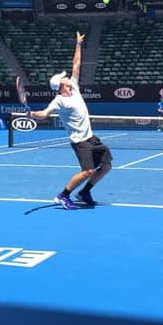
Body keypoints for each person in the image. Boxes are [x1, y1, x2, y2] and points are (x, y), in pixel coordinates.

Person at [29, 31, 112, 210]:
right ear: (60, 85)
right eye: (64, 78)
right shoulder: (59, 100)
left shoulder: (73, 86)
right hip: (80, 142)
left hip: (91, 137)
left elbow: (76, 63)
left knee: (106, 166)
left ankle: (84, 192)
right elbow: (44, 114)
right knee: (88, 171)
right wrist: (33, 114)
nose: (67, 77)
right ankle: (63, 195)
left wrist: (78, 44)